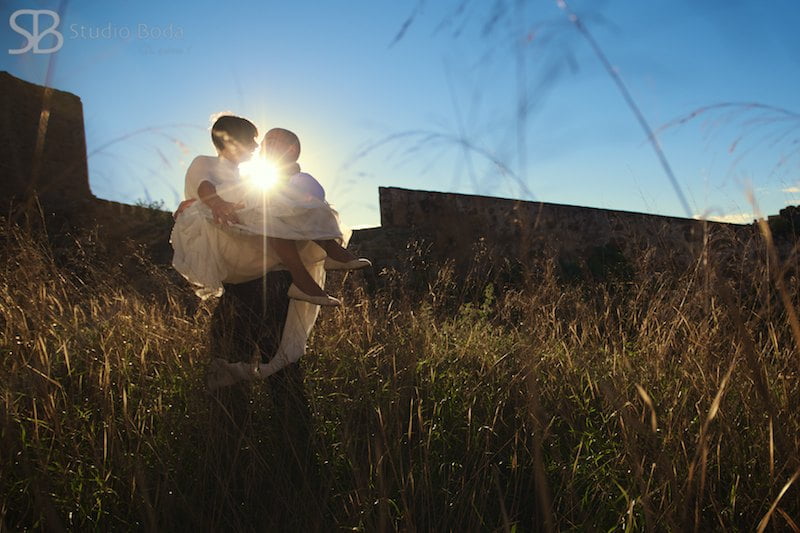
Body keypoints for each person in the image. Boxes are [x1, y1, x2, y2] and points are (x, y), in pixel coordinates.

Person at [171, 119, 370, 307]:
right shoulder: (205, 161)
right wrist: (217, 204)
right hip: (215, 229)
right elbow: (204, 186)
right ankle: (328, 256)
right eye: (251, 140)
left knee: (272, 206)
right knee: (268, 201)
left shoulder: (241, 175)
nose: (257, 146)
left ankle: (308, 274)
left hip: (234, 224)